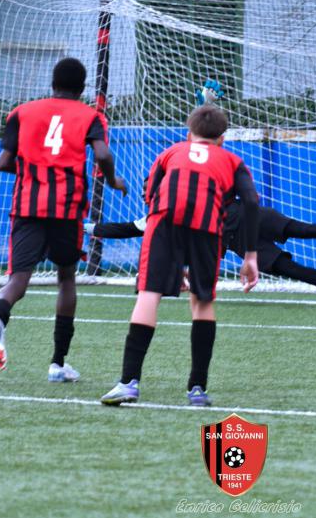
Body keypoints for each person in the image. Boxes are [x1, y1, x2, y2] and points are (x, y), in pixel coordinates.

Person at [100, 105, 260, 407]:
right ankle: (197, 388)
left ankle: (128, 383)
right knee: (202, 302)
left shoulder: (170, 152)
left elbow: (152, 195)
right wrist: (250, 255)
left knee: (148, 295)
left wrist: (172, 260)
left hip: (163, 224)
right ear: (222, 139)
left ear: (189, 135)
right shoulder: (232, 160)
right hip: (207, 228)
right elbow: (251, 201)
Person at [0, 57, 127, 380]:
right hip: (67, 208)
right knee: (66, 278)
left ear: (52, 83)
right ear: (82, 87)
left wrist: (33, 172)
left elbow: (3, 163)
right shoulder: (91, 116)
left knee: (17, 280)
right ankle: (58, 363)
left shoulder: (21, 112)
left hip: (26, 207)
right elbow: (102, 154)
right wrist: (113, 180)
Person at [88, 201, 316, 306]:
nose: (149, 194)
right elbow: (127, 228)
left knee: (305, 229)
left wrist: (205, 105)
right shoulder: (159, 216)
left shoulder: (190, 184)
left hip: (249, 217)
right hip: (239, 242)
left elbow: (199, 142)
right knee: (292, 270)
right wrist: (89, 228)